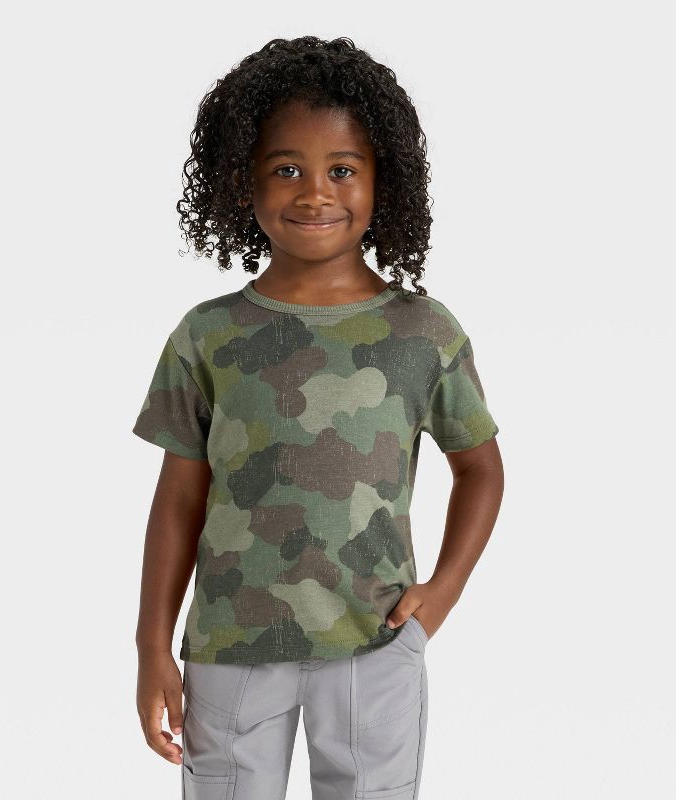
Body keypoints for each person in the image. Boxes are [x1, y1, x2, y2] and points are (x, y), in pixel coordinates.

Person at [132, 35, 504, 800]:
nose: (314, 194)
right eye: (286, 169)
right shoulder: (208, 336)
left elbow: (481, 470)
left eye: (341, 169)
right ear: (242, 179)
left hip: (375, 641)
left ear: (381, 180)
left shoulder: (424, 333)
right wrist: (150, 644)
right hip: (230, 646)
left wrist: (444, 590)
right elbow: (178, 499)